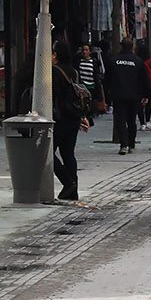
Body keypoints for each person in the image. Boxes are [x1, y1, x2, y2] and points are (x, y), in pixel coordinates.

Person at [52, 42, 91, 201]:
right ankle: (73, 189)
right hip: (73, 118)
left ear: (56, 55)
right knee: (68, 153)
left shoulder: (54, 71)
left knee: (48, 153)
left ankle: (68, 183)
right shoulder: (74, 72)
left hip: (60, 118)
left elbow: (54, 96)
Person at [106, 40, 146, 153]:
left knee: (120, 120)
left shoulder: (113, 61)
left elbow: (107, 79)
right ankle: (131, 144)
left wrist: (108, 94)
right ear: (132, 48)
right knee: (131, 120)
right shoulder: (138, 61)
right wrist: (145, 95)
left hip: (118, 95)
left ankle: (123, 145)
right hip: (134, 96)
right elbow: (144, 79)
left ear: (121, 47)